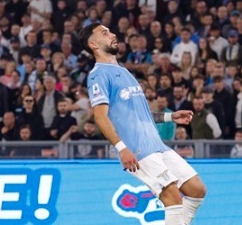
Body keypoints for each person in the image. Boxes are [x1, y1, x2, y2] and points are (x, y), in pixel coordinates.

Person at [80, 23, 206, 225]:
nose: (112, 34)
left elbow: (141, 114)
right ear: (93, 44)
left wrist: (170, 117)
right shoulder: (98, 75)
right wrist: (122, 148)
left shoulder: (124, 72)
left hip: (157, 145)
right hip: (137, 150)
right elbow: (101, 117)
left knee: (197, 189)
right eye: (105, 33)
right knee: (172, 197)